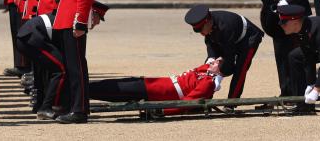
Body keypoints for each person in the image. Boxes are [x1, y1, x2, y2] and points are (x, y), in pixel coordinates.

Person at [17, 1, 109, 120]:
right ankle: (47, 107)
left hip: (30, 37)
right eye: (98, 18)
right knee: (61, 69)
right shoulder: (71, 20)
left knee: (51, 68)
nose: (97, 23)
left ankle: (41, 104)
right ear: (92, 13)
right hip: (32, 38)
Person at [89, 58, 223, 115]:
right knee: (110, 85)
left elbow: (187, 103)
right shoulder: (205, 71)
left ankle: (77, 92)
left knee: (110, 90)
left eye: (218, 62)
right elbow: (207, 64)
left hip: (153, 92)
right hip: (150, 83)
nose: (215, 60)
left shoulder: (208, 83)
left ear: (220, 70)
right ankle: (79, 90)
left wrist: (163, 111)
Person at [184, 5, 263, 99]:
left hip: (248, 38)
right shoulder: (208, 23)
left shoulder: (225, 27)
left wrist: (220, 74)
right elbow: (210, 44)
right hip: (230, 39)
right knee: (209, 68)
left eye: (201, 29)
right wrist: (210, 61)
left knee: (240, 69)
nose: (200, 33)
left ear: (207, 22)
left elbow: (229, 58)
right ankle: (204, 99)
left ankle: (232, 103)